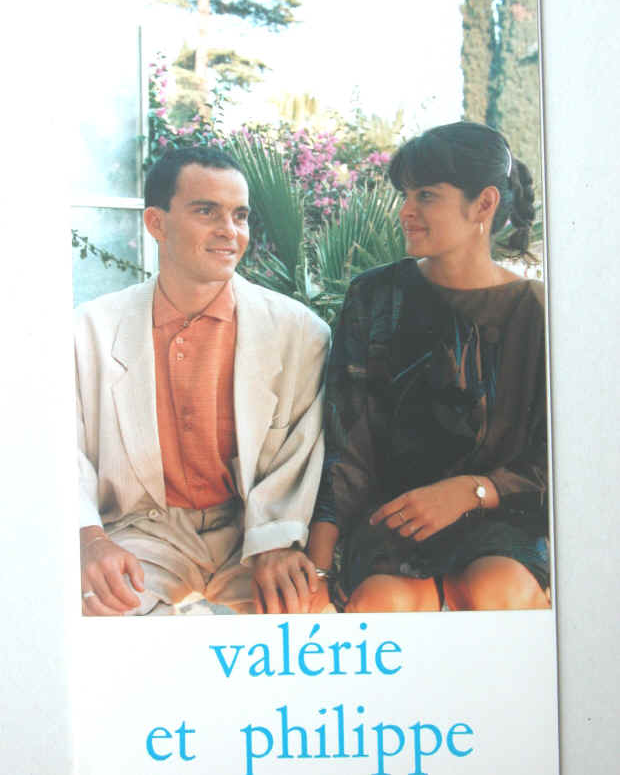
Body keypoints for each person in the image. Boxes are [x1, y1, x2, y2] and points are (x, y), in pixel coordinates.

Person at [306, 121, 550, 613]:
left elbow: (557, 460)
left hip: (502, 524)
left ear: (483, 204)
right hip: (393, 528)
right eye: (406, 194)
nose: (406, 211)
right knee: (380, 608)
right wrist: (317, 567)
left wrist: (474, 491)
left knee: (497, 592)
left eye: (427, 196)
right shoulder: (375, 296)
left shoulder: (538, 312)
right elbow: (346, 445)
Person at [76, 146, 330, 616]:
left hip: (252, 534)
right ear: (156, 223)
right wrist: (89, 540)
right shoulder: (88, 330)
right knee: (93, 610)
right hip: (143, 530)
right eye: (206, 211)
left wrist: (276, 542)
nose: (229, 231)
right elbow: (63, 452)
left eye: (240, 215)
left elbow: (302, 450)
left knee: (313, 620)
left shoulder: (300, 332)